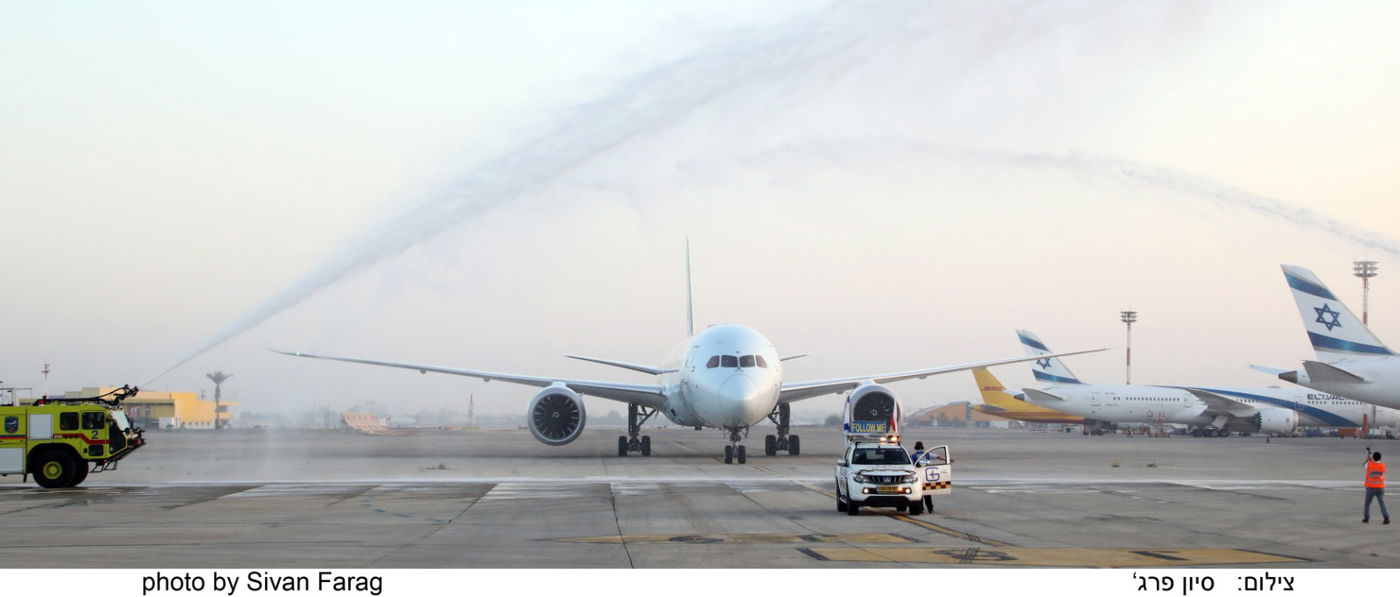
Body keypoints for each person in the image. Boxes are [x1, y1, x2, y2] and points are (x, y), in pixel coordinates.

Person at [1364, 450, 1390, 524]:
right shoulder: (1383, 465)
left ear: (1373, 457)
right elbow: (1376, 464)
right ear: (1380, 458)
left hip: (1371, 487)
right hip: (1381, 487)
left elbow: (1365, 464)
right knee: (1382, 503)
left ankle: (1366, 518)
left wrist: (1368, 456)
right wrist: (1371, 457)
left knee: (1367, 504)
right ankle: (1386, 517)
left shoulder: (1369, 465)